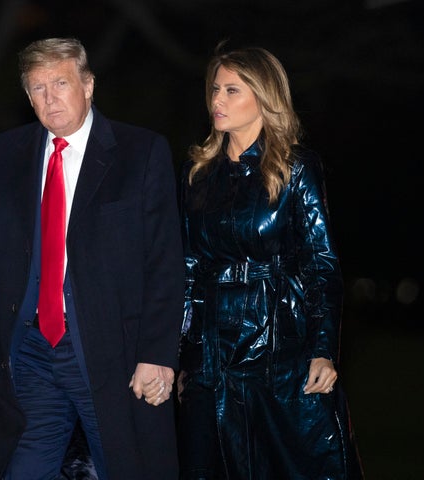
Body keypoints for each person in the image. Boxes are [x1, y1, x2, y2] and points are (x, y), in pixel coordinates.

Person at [0, 37, 184, 480]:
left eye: (61, 83)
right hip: (30, 354)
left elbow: (164, 262)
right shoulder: (4, 154)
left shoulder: (140, 152)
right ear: (27, 97)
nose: (50, 97)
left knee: (129, 468)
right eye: (38, 88)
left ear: (88, 84)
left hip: (109, 355)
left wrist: (157, 354)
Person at [176, 43, 364, 479]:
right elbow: (185, 269)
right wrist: (178, 355)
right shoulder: (196, 174)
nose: (217, 100)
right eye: (215, 89)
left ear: (264, 97)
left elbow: (322, 263)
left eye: (232, 90)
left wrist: (322, 351)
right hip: (211, 355)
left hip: (281, 349)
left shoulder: (295, 168)